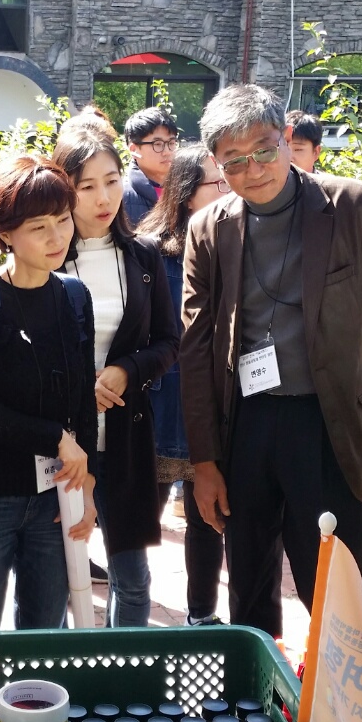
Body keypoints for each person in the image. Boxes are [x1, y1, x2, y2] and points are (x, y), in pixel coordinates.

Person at [181, 84, 362, 638]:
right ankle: (257, 698)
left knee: (333, 579)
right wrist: (205, 460)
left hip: (330, 423)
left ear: (287, 140)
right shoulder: (209, 229)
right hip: (248, 423)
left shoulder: (357, 207)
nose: (252, 170)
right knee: (249, 575)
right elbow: (196, 347)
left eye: (264, 150)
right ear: (216, 164)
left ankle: (340, 706)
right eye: (233, 161)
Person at [0, 155, 98, 630]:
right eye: (38, 227)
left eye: (64, 220)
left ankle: (34, 708)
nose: (56, 237)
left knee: (45, 632)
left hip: (55, 497)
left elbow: (82, 395)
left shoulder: (73, 295)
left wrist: (88, 485)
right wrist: (54, 438)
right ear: (5, 233)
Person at [52, 129, 179, 627]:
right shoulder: (46, 254)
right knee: (56, 573)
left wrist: (126, 371)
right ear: (64, 188)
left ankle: (120, 678)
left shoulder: (144, 256)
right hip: (60, 445)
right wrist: (82, 383)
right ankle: (56, 685)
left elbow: (170, 341)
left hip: (126, 436)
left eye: (111, 180)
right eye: (86, 187)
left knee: (132, 576)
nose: (103, 197)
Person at [136, 143, 232, 625]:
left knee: (205, 517)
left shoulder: (231, 241)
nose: (228, 189)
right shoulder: (149, 251)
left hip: (206, 405)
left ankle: (201, 615)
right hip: (155, 404)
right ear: (187, 192)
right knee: (139, 522)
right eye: (218, 182)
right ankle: (130, 612)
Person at [123, 107, 180, 226]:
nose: (167, 152)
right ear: (134, 149)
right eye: (157, 144)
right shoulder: (122, 196)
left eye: (171, 143)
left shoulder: (186, 189)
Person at [283, 110, 323, 174]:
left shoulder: (329, 183)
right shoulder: (267, 183)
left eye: (298, 149)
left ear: (316, 152)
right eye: (284, 149)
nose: (289, 158)